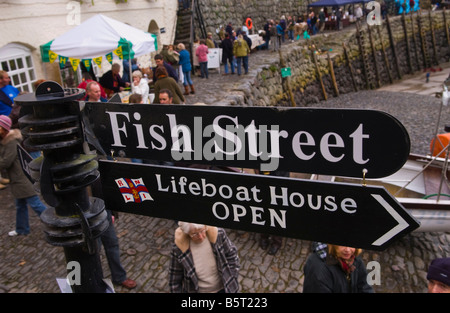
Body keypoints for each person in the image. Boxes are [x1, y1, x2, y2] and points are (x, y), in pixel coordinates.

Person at [0, 115, 48, 236]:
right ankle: (22, 228)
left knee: (35, 204)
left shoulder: (11, 142)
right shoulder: (7, 141)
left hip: (21, 179)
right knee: (20, 205)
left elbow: (6, 161)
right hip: (18, 179)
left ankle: (55, 223)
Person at [169, 221, 240, 293]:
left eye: (202, 231)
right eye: (195, 234)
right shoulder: (179, 248)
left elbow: (232, 255)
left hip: (225, 288)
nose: (200, 236)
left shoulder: (218, 234)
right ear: (187, 232)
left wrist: (232, 276)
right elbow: (174, 280)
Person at [303, 243, 374, 293]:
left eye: (351, 245)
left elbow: (364, 286)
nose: (348, 250)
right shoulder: (317, 268)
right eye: (342, 244)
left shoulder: (352, 258)